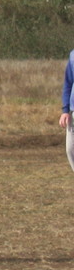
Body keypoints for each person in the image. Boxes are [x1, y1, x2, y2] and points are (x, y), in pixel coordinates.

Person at [62, 45, 74, 175]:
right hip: (73, 112)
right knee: (70, 149)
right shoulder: (73, 55)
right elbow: (68, 83)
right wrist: (65, 110)